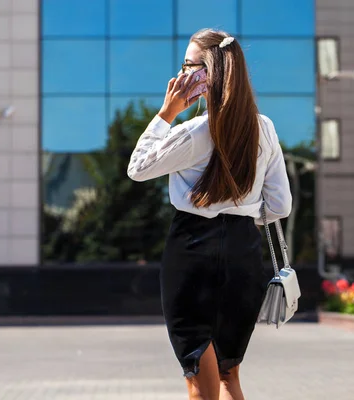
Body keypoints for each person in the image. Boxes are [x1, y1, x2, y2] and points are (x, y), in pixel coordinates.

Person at [127, 28, 292, 400]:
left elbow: (137, 167)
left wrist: (167, 111)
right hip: (244, 253)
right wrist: (241, 211)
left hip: (192, 251)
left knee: (198, 380)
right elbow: (281, 206)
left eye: (187, 65)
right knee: (229, 376)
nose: (181, 73)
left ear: (208, 73)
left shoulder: (194, 132)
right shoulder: (264, 129)